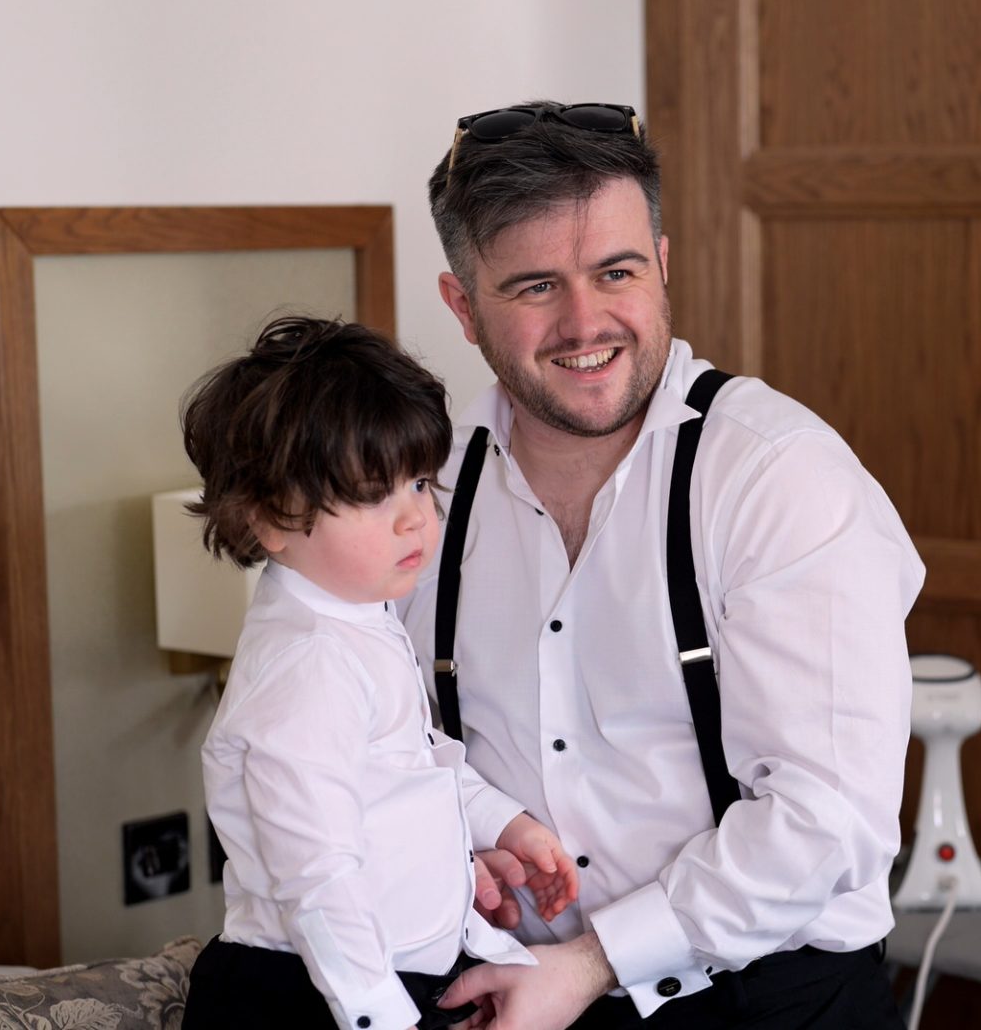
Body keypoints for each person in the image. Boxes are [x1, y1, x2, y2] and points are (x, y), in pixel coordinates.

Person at [400, 102, 923, 1029]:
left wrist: (593, 964)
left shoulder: (776, 475)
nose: (584, 321)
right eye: (533, 288)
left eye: (617, 271)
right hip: (507, 993)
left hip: (771, 1000)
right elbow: (388, 749)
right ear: (462, 306)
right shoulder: (422, 492)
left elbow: (824, 822)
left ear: (663, 265)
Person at [179, 316, 580, 1030]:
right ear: (272, 518)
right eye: (372, 495)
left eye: (420, 483)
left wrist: (502, 822)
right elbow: (318, 875)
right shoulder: (307, 665)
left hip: (391, 968)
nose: (414, 520)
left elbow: (413, 762)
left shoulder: (358, 615)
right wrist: (380, 1016)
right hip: (314, 988)